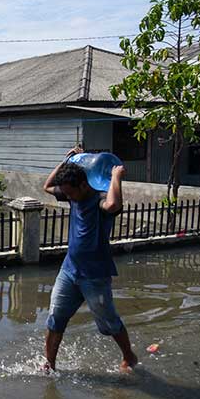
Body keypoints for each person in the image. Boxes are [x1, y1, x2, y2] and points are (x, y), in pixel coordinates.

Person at [42, 147, 138, 373]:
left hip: (94, 274)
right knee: (55, 317)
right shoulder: (71, 195)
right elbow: (47, 186)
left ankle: (129, 356)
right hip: (69, 270)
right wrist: (65, 161)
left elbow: (114, 205)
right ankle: (49, 363)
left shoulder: (99, 200)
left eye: (70, 192)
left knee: (109, 322)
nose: (67, 197)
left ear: (84, 185)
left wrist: (115, 177)